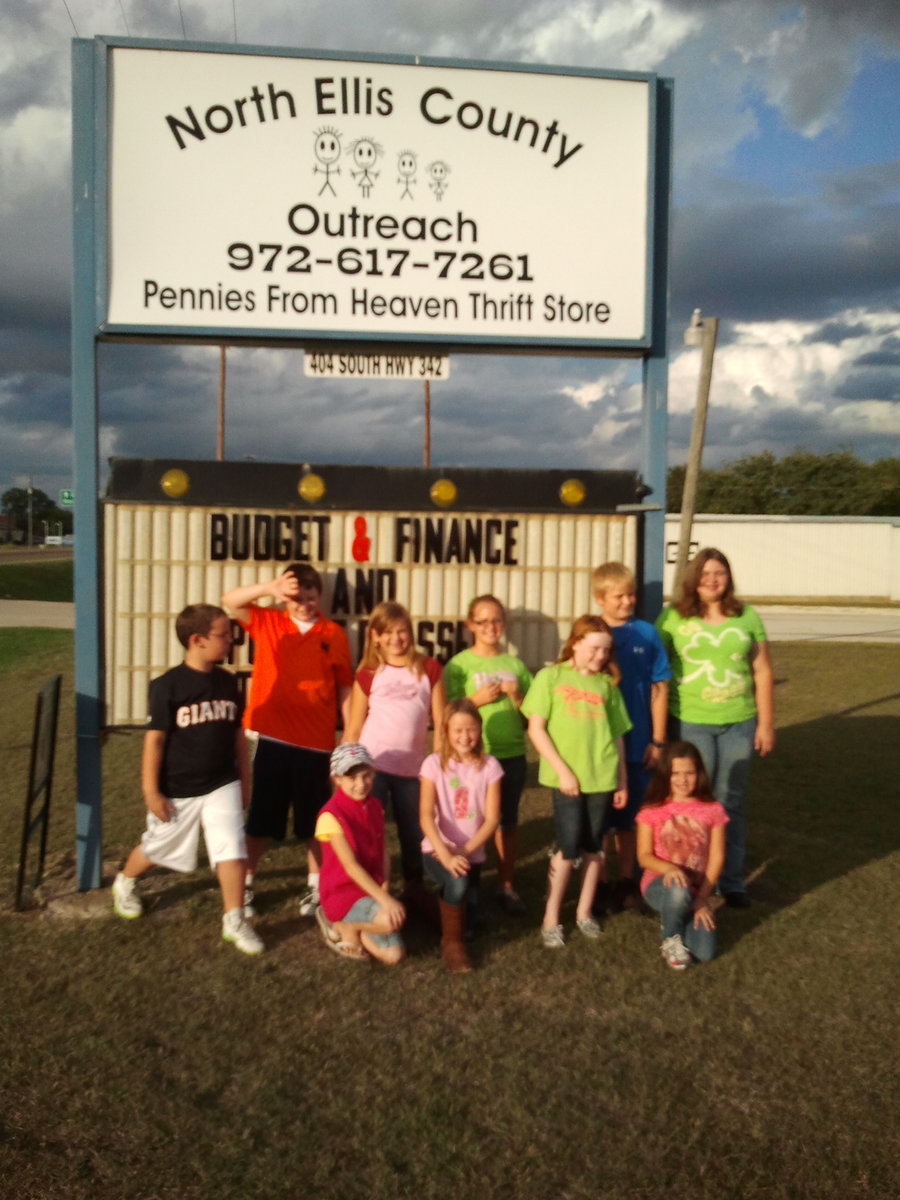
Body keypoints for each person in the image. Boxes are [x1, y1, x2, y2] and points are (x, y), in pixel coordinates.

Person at [111, 604, 262, 955]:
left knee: (231, 847)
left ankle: (234, 918)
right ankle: (125, 881)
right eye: (223, 635)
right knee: (157, 848)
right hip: (179, 788)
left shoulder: (228, 682)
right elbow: (155, 741)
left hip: (222, 782)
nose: (230, 641)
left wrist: (244, 782)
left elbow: (237, 738)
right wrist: (150, 791)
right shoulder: (167, 686)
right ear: (197, 640)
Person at [221, 564, 352, 917]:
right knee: (261, 819)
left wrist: (348, 733)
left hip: (317, 743)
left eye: (310, 598)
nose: (303, 605)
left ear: (319, 596)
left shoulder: (333, 633)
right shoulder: (268, 620)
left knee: (315, 821)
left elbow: (345, 685)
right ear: (284, 597)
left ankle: (316, 886)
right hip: (273, 738)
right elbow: (229, 601)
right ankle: (246, 883)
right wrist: (269, 587)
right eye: (296, 598)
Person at [655, 548, 775, 908]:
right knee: (693, 799)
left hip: (739, 721)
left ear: (728, 578)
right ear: (693, 579)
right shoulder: (672, 617)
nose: (712, 580)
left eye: (719, 573)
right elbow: (656, 670)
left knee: (729, 802)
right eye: (705, 573)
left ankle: (730, 880)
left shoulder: (747, 616)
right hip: (690, 722)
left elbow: (762, 670)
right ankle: (688, 877)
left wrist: (765, 724)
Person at [521, 615, 632, 948]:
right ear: (575, 643)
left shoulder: (606, 686)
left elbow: (617, 736)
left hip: (602, 777)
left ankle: (584, 911)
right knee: (568, 846)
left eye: (606, 650)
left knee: (595, 845)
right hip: (567, 779)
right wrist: (563, 771)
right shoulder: (550, 677)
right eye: (594, 648)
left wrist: (621, 780)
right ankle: (551, 916)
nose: (601, 656)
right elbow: (536, 729)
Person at [342, 600, 445, 914]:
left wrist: (439, 766)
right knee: (368, 830)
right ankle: (368, 888)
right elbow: (354, 726)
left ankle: (415, 887)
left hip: (412, 771)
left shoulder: (429, 668)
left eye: (402, 631)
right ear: (375, 636)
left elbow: (440, 723)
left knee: (414, 831)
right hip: (371, 767)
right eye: (387, 632)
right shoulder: (368, 673)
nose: (396, 639)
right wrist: (345, 769)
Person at [443, 594, 532, 916]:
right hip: (472, 757)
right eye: (482, 622)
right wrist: (475, 700)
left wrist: (517, 695)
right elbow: (445, 715)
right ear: (470, 625)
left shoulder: (516, 666)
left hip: (511, 754)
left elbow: (532, 716)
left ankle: (506, 885)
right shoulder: (459, 665)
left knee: (506, 821)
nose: (491, 627)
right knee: (468, 820)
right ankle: (468, 885)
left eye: (496, 621)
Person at [592, 562, 670, 910]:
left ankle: (628, 880)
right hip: (596, 744)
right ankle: (598, 883)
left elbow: (659, 688)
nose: (627, 602)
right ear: (600, 598)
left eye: (631, 595)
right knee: (599, 820)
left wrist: (657, 740)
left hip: (638, 743)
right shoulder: (590, 633)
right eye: (619, 596)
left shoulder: (647, 634)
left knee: (631, 819)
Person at [419, 699, 502, 973]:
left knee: (471, 924)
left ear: (479, 729)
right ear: (445, 731)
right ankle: (452, 946)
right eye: (457, 730)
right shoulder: (433, 764)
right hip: (437, 850)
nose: (465, 737)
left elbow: (492, 820)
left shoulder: (490, 766)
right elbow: (425, 816)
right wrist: (446, 854)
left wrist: (463, 852)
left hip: (470, 853)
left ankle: (426, 904)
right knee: (458, 885)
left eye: (471, 729)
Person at [636, 741, 728, 969]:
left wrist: (702, 899)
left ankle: (675, 916)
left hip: (696, 889)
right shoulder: (652, 809)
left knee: (705, 952)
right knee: (678, 888)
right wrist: (669, 869)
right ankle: (670, 937)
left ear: (699, 774)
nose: (683, 780)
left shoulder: (713, 810)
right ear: (666, 775)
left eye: (689, 773)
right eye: (675, 773)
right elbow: (644, 856)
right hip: (660, 885)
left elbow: (716, 857)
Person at [313, 743, 406, 963]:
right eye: (351, 778)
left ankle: (359, 926)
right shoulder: (330, 815)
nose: (360, 784)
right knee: (389, 919)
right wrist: (385, 901)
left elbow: (383, 853)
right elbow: (350, 866)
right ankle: (339, 924)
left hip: (370, 890)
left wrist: (385, 890)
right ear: (336, 779)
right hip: (343, 893)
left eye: (366, 776)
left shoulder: (375, 807)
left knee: (394, 956)